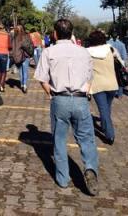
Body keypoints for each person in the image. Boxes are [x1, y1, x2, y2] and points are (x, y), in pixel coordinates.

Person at [34, 19, 99, 195]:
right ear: (71, 33)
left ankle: (63, 179)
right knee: (86, 138)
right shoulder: (83, 52)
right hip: (80, 99)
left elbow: (42, 78)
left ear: (55, 33)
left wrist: (51, 94)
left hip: (59, 99)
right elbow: (89, 77)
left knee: (59, 141)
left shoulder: (49, 52)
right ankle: (90, 167)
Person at [87, 30, 124, 145]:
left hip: (97, 85)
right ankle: (105, 125)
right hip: (112, 84)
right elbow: (121, 63)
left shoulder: (87, 52)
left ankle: (110, 134)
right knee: (107, 107)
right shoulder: (111, 49)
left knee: (103, 109)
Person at [10, 25, 34, 93]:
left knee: (21, 71)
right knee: (25, 71)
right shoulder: (25, 36)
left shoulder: (14, 37)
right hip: (25, 56)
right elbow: (28, 45)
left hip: (18, 56)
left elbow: (12, 48)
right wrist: (30, 53)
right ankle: (24, 85)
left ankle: (21, 84)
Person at [107, 30, 128, 98]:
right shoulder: (122, 44)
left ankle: (112, 92)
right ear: (118, 36)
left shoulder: (107, 43)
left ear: (110, 36)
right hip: (119, 64)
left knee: (112, 78)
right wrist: (125, 65)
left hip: (110, 63)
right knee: (120, 78)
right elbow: (124, 56)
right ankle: (120, 94)